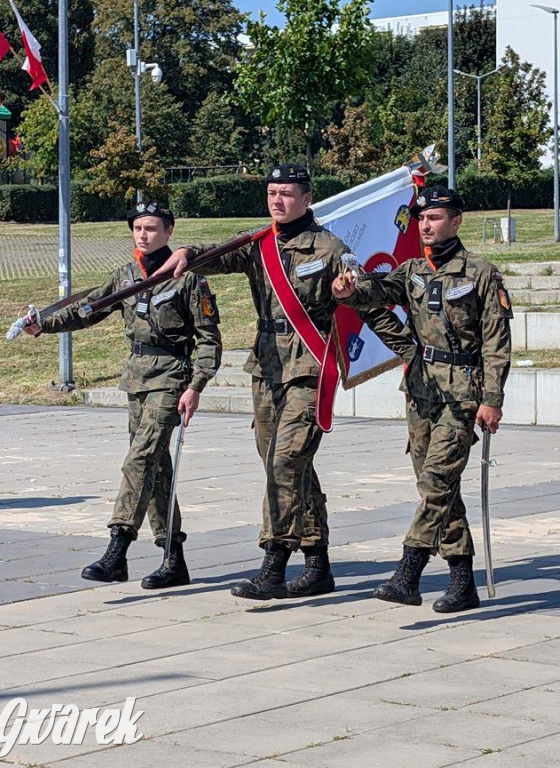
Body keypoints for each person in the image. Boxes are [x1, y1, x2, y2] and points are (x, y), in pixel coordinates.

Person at [158, 163, 416, 601]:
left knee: (285, 464)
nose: (278, 200)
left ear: (307, 198)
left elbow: (368, 304)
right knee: (288, 466)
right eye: (272, 192)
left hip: (309, 368)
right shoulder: (259, 245)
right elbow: (217, 256)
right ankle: (317, 564)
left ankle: (273, 564)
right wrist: (188, 251)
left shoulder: (330, 248)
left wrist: (409, 352)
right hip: (266, 367)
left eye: (287, 193)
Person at [24, 201, 222, 589]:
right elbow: (89, 309)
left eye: (151, 228)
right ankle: (173, 558)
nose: (143, 235)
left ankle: (118, 547)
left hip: (171, 378)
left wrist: (196, 386)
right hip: (136, 380)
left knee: (140, 460)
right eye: (137, 229)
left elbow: (209, 338)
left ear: (168, 231)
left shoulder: (187, 279)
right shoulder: (127, 275)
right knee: (157, 470)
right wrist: (43, 325)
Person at [332, 185, 512, 612]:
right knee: (438, 487)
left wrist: (492, 398)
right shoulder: (412, 269)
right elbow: (376, 292)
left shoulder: (481, 274)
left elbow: (496, 343)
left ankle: (408, 572)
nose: (426, 225)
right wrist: (348, 292)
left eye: (434, 217)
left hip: (462, 391)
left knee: (436, 483)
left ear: (456, 221)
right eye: (421, 219)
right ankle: (462, 582)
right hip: (420, 388)